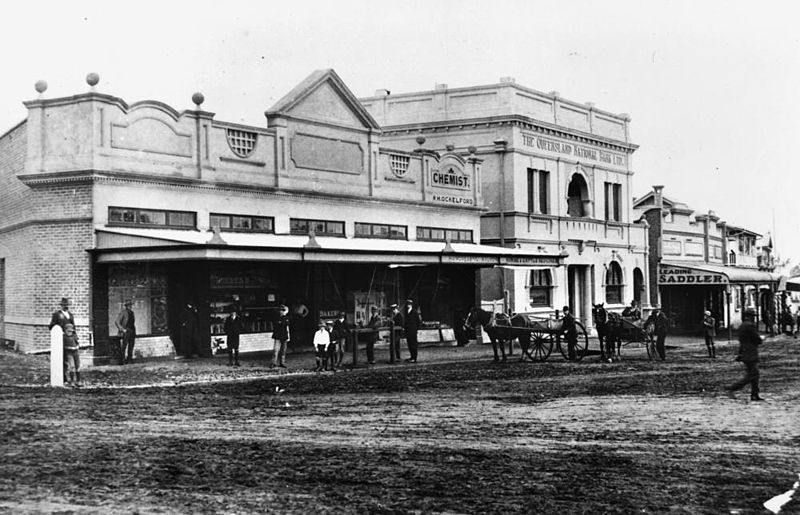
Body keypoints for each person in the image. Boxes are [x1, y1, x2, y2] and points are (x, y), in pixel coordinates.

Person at [726, 319, 764, 401]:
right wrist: (761, 339)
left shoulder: (741, 326)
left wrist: (740, 353)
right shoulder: (750, 326)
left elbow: (741, 340)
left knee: (755, 375)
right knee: (752, 374)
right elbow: (756, 339)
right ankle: (732, 388)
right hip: (751, 352)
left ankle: (755, 394)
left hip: (744, 351)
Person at [114, 299, 137, 364]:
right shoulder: (123, 313)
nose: (130, 306)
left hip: (132, 331)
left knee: (131, 346)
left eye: (130, 305)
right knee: (124, 346)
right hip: (126, 331)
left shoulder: (132, 313)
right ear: (126, 306)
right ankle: (122, 360)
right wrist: (122, 329)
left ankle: (129, 359)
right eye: (128, 305)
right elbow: (117, 322)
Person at [62, 323, 81, 387]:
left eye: (71, 331)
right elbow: (64, 346)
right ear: (65, 330)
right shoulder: (64, 337)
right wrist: (70, 348)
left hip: (76, 352)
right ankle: (72, 381)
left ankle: (78, 381)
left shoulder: (74, 336)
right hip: (69, 353)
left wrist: (77, 347)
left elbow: (77, 343)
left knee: (77, 366)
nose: (70, 333)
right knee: (72, 366)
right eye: (68, 331)